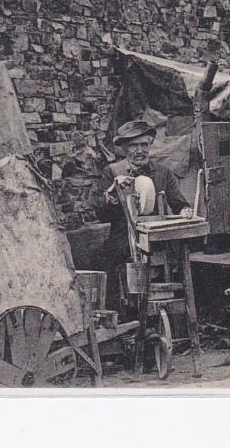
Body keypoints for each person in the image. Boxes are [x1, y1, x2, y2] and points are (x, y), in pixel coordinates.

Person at [95, 119, 193, 312]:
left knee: (179, 261)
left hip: (156, 240)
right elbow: (101, 214)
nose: (140, 150)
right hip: (123, 238)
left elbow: (178, 202)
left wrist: (184, 210)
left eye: (144, 145)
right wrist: (113, 191)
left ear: (150, 145)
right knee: (110, 263)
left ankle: (167, 319)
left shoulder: (163, 173)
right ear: (123, 149)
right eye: (133, 145)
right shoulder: (112, 172)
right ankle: (123, 320)